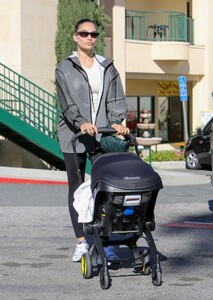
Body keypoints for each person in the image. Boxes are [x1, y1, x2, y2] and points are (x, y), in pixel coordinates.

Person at [55, 18, 129, 262]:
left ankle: (103, 240)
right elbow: (67, 102)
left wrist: (118, 121)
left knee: (105, 188)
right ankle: (80, 242)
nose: (89, 38)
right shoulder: (64, 68)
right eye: (84, 33)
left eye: (93, 34)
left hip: (102, 134)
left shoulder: (106, 66)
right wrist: (81, 122)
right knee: (76, 188)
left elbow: (116, 98)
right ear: (75, 36)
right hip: (74, 135)